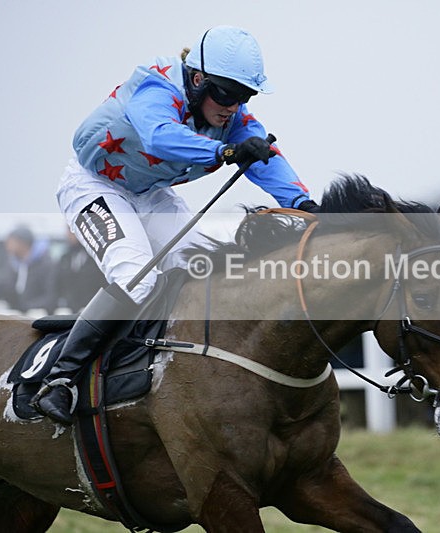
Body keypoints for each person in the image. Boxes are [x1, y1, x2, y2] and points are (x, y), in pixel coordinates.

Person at [32, 26, 319, 425]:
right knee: (137, 278)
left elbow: (266, 158)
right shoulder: (155, 86)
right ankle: (58, 380)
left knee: (204, 269)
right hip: (95, 185)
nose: (232, 106)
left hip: (150, 194)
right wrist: (226, 150)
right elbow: (159, 136)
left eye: (243, 96)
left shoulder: (229, 114)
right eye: (225, 93)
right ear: (198, 80)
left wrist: (304, 205)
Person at [0, 227, 58, 315]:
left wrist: (25, 307)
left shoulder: (46, 265)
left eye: (11, 241)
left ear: (22, 243)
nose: (7, 245)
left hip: (39, 317)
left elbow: (51, 297)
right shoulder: (12, 265)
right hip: (18, 317)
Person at [56, 228, 107, 312]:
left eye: (71, 230)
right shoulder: (65, 257)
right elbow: (58, 284)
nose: (69, 234)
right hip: (70, 309)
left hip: (92, 308)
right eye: (68, 230)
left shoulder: (96, 256)